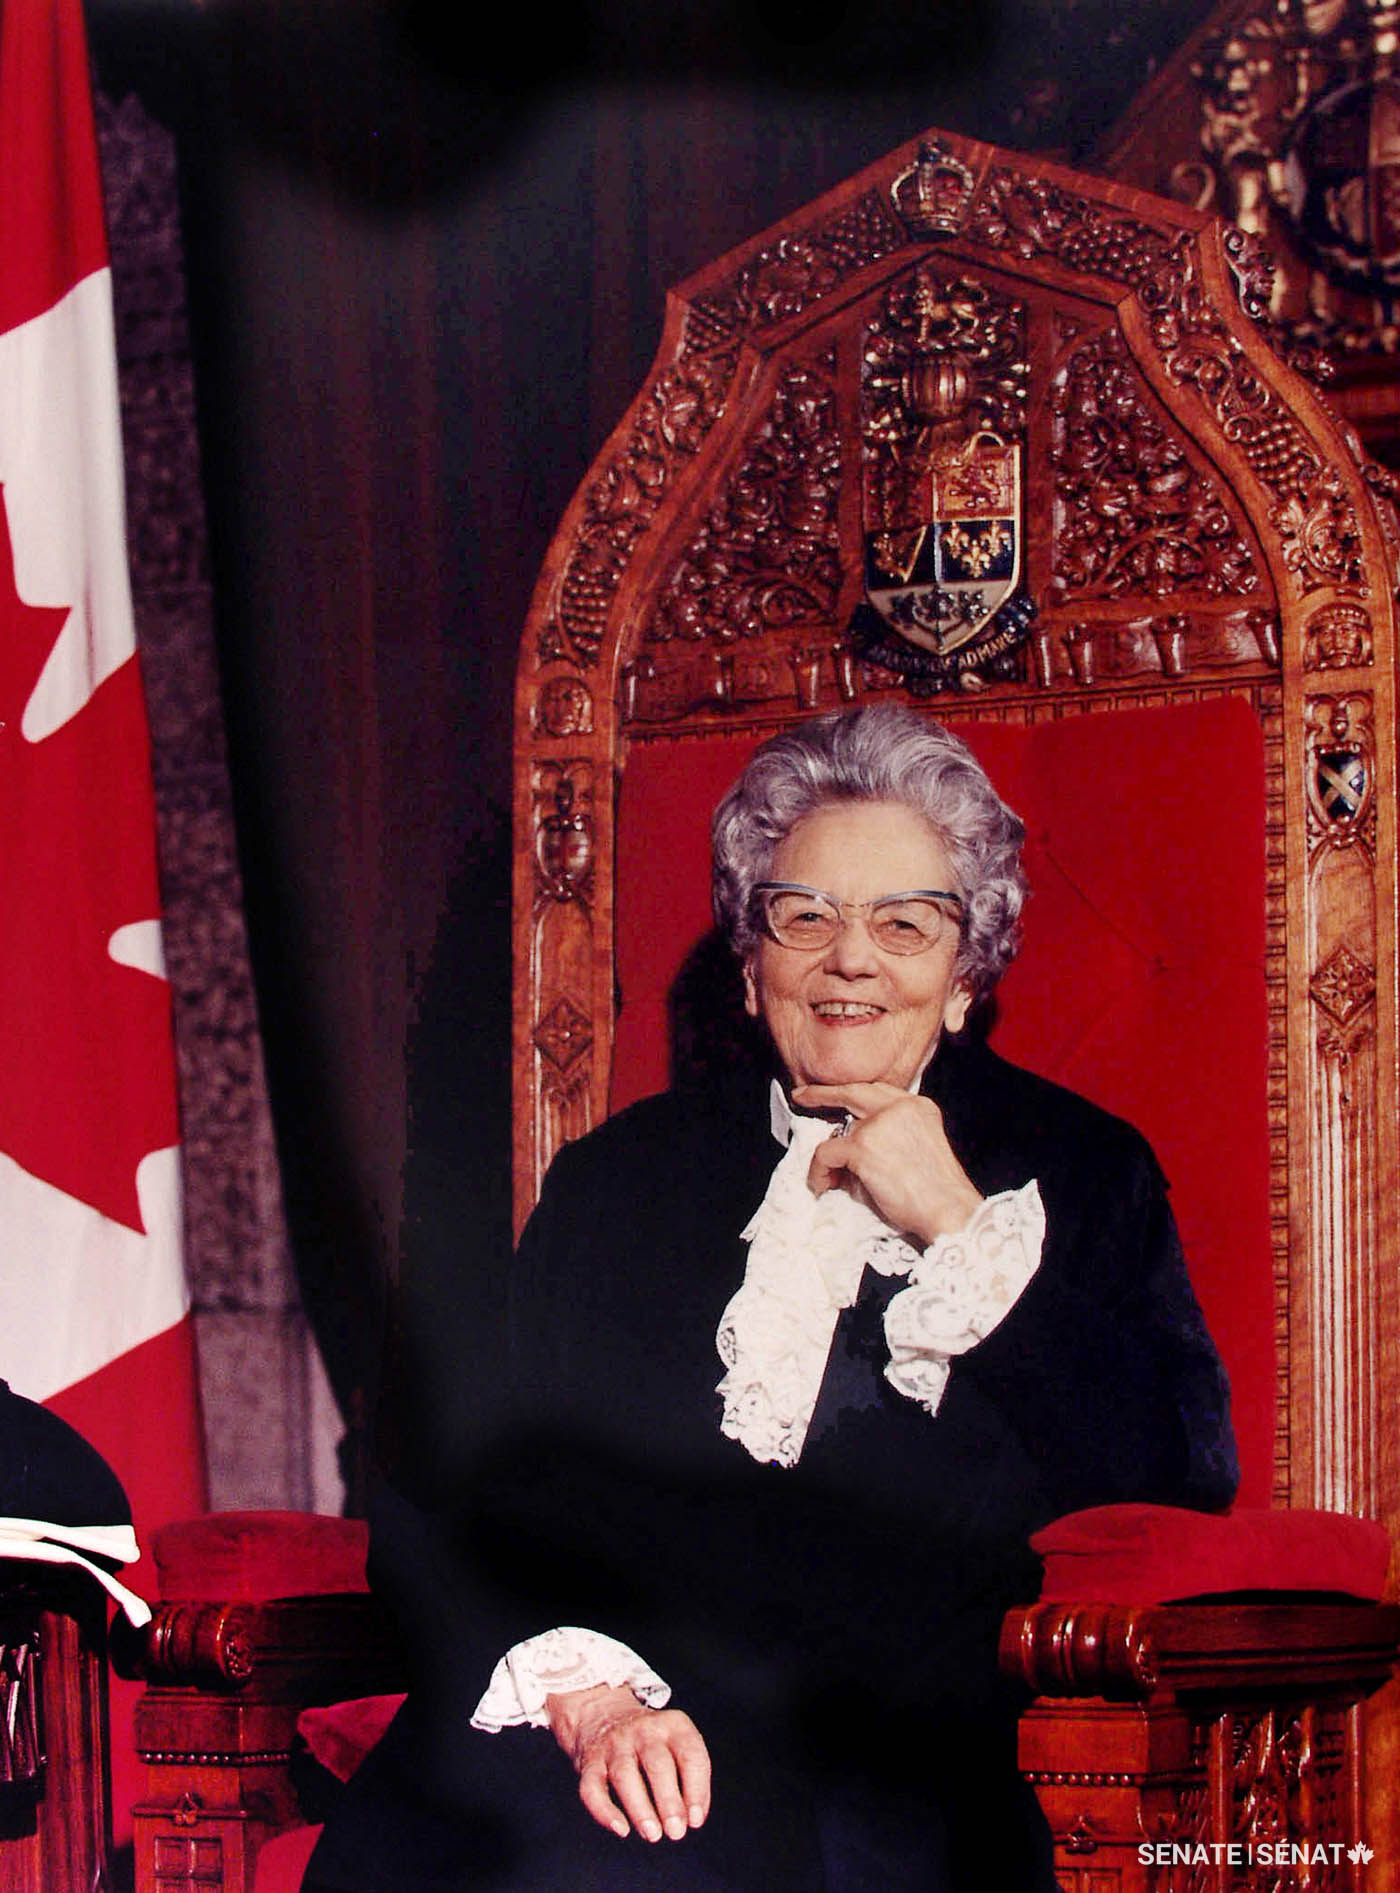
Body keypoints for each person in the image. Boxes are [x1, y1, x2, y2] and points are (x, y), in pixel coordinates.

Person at [308, 704, 1237, 1892]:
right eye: (805, 919)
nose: (851, 958)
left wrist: (959, 1232)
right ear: (750, 972)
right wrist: (588, 1696)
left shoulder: (1082, 1172)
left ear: (964, 979)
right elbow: (454, 1480)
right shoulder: (614, 1182)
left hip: (887, 1766)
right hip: (589, 1730)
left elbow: (1174, 1477)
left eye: (904, 924)